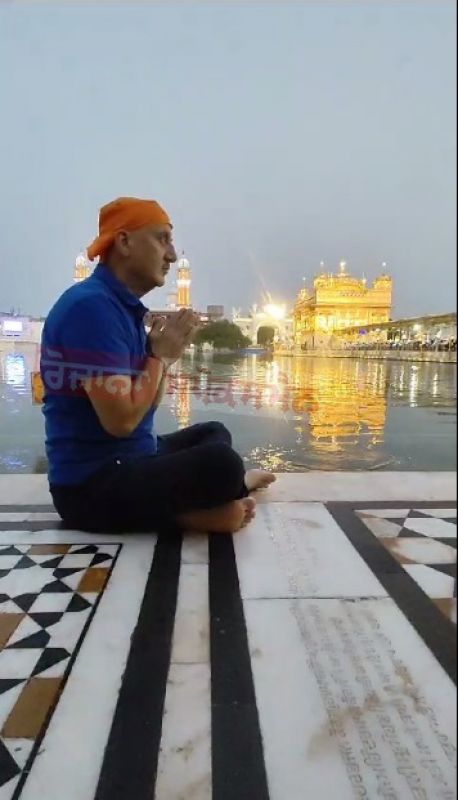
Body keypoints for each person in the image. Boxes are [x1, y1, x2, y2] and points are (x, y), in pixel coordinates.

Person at [40, 196, 275, 534]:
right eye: (161, 238)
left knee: (214, 432)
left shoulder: (124, 309)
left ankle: (224, 493)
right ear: (124, 242)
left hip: (134, 455)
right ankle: (211, 503)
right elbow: (121, 422)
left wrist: (164, 359)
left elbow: (146, 404)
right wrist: (159, 357)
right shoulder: (90, 308)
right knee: (221, 464)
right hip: (90, 485)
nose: (172, 255)